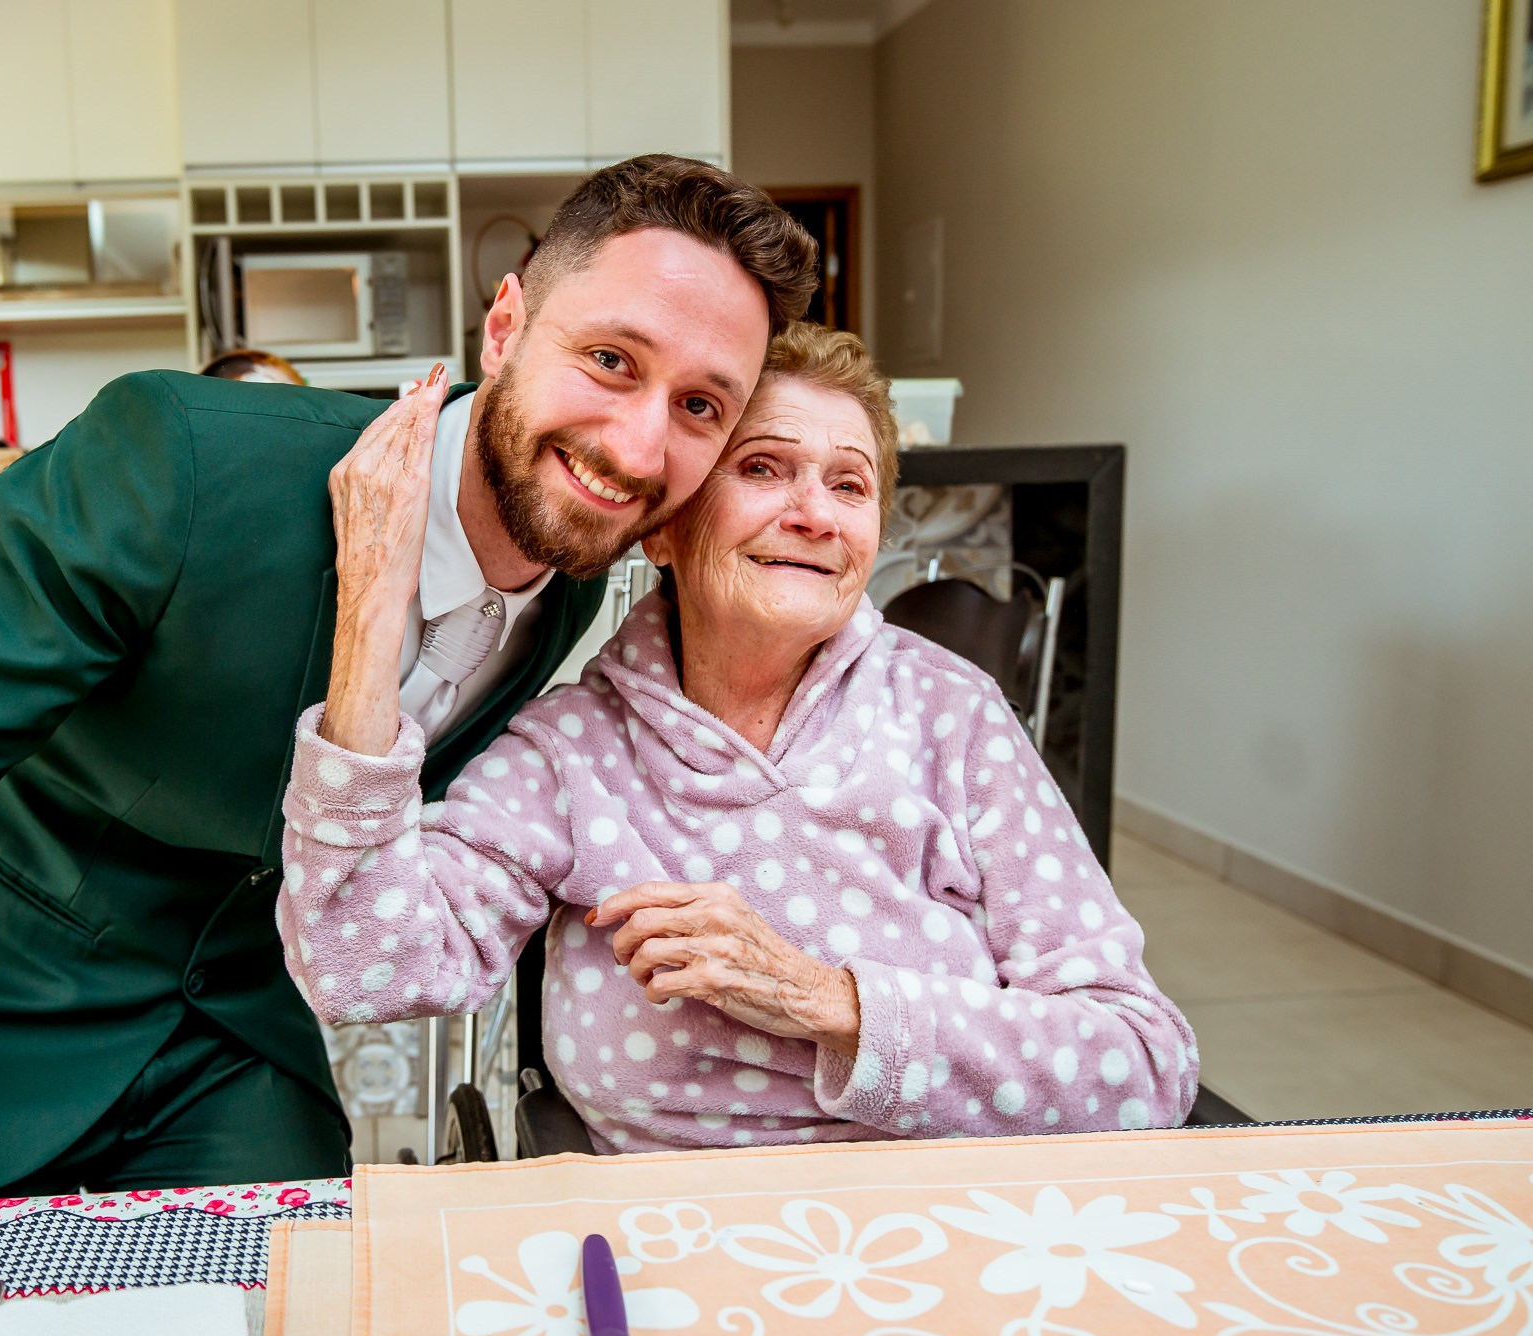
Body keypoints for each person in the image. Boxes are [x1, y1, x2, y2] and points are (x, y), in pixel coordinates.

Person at [0, 154, 817, 1336]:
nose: (635, 447)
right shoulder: (176, 459)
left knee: (307, 1332)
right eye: (609, 360)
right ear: (503, 325)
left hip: (239, 1036)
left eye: (699, 406)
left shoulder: (567, 572)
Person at [277, 321, 1197, 1153]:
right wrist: (371, 608)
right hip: (664, 1247)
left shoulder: (954, 715)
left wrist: (824, 1000)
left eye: (850, 483)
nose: (816, 513)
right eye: (763, 468)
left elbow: (1144, 1062)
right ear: (664, 531)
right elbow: (362, 963)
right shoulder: (574, 752)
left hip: (949, 1219)